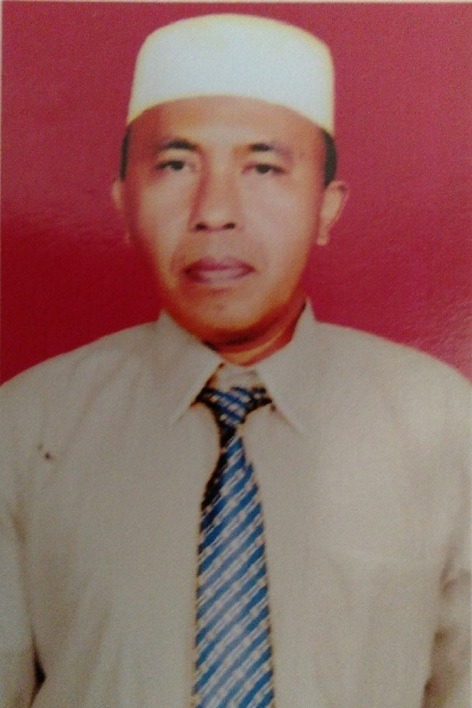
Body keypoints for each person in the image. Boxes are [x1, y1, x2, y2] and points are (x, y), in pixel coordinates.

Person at [0, 13, 469, 708]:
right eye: (177, 165)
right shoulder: (25, 424)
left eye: (263, 167)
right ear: (124, 203)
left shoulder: (442, 420)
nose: (215, 211)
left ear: (326, 208)